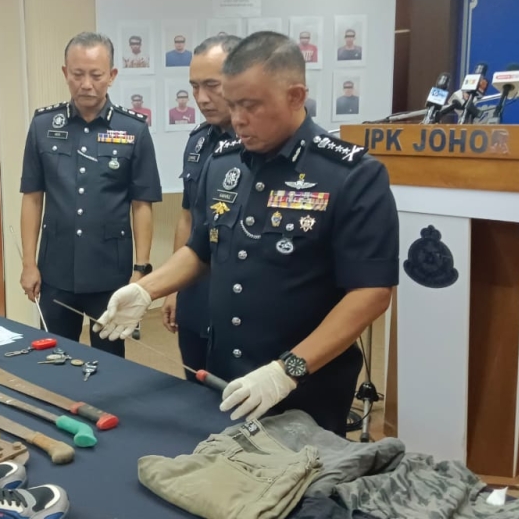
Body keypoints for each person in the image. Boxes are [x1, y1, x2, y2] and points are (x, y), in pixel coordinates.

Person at [94, 31, 398, 435]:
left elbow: (371, 292)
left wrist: (287, 370)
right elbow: (201, 248)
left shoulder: (351, 175)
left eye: (251, 106)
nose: (237, 119)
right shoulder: (223, 164)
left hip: (307, 385)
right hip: (225, 375)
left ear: (295, 96)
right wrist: (148, 289)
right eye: (233, 104)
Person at [19, 32, 162, 359]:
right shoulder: (43, 125)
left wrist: (140, 270)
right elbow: (32, 197)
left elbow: (142, 204)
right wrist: (29, 263)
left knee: (110, 360)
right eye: (78, 74)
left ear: (111, 76)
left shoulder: (134, 130)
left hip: (109, 271)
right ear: (65, 73)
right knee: (53, 357)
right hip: (55, 269)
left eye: (96, 75)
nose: (86, 84)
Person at [162, 34, 241, 383]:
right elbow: (188, 216)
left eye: (212, 85)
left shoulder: (262, 145)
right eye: (194, 87)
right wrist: (175, 288)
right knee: (193, 389)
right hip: (196, 294)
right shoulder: (198, 142)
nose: (201, 98)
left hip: (238, 303)